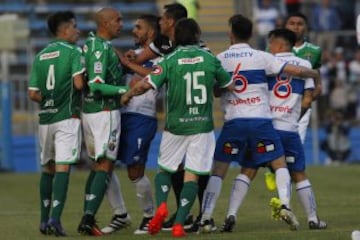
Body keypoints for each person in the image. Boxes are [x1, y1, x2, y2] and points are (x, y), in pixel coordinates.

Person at [199, 14, 320, 233]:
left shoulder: (221, 58)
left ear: (231, 34)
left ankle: (207, 217)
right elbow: (297, 71)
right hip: (261, 123)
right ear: (251, 34)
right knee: (280, 164)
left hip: (234, 122)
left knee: (220, 170)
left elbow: (217, 91)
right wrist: (315, 74)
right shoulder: (262, 57)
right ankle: (285, 204)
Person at [121, 18, 234, 237]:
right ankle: (180, 224)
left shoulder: (169, 60)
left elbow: (146, 84)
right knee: (191, 175)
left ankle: (162, 206)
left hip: (175, 126)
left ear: (175, 37)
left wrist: (127, 94)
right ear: (196, 35)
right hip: (201, 126)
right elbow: (228, 84)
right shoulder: (209, 58)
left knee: (165, 169)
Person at [124, 3, 209, 232]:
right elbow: (142, 58)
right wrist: (134, 58)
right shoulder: (167, 43)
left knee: (177, 168)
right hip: (194, 117)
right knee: (186, 169)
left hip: (179, 117)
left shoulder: (179, 52)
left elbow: (151, 73)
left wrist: (129, 69)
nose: (159, 22)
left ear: (171, 21)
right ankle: (188, 215)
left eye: (162, 19)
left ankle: (200, 214)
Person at [101, 14, 160, 235]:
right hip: (120, 114)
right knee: (103, 165)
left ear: (151, 33)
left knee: (135, 171)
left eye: (139, 27)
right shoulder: (134, 55)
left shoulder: (161, 56)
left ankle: (149, 216)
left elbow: (155, 76)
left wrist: (128, 63)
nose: (134, 31)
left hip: (142, 117)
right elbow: (122, 63)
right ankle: (120, 214)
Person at [28, 11, 85, 236]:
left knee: (47, 168)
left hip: (45, 120)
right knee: (63, 168)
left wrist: (49, 100)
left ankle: (43, 221)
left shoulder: (40, 55)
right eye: (74, 26)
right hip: (66, 118)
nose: (78, 30)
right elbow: (79, 84)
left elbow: (33, 94)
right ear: (65, 30)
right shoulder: (73, 51)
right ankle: (55, 219)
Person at [77, 7, 129, 236]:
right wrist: (124, 90)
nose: (122, 24)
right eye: (118, 20)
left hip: (90, 111)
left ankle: (90, 216)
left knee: (99, 165)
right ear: (105, 23)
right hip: (104, 111)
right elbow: (96, 84)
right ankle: (88, 218)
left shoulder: (92, 44)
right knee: (105, 164)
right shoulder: (99, 48)